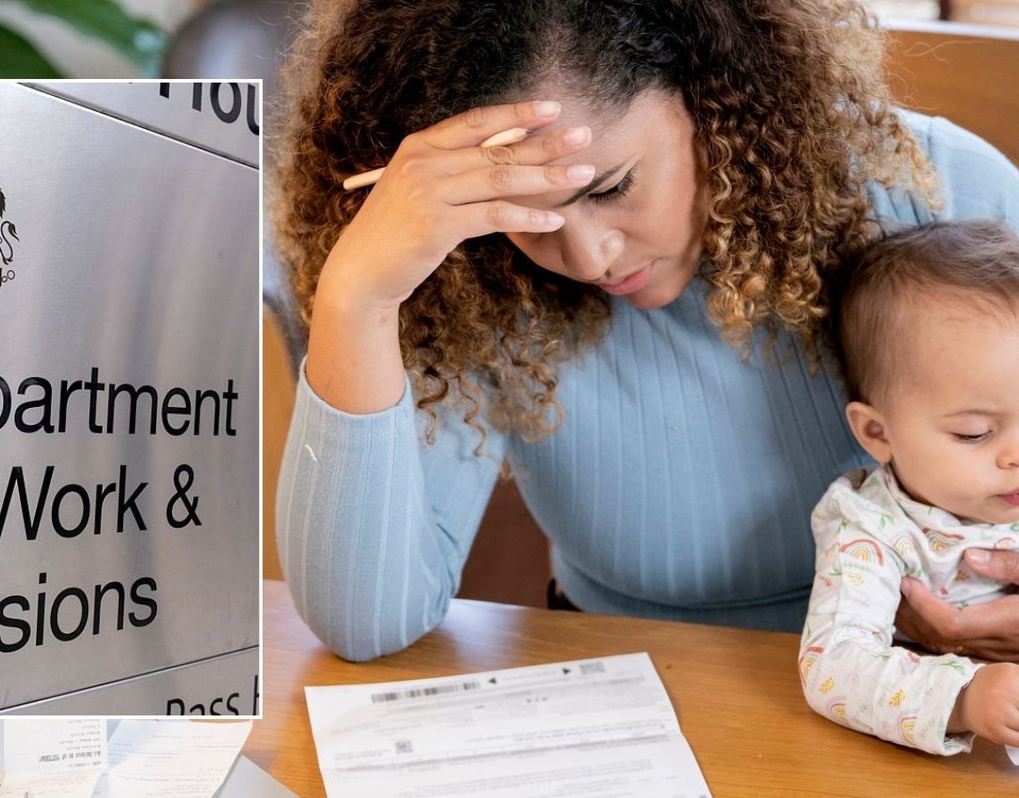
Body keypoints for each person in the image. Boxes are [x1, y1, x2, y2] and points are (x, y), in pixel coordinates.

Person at [270, 0, 1019, 662]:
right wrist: (357, 299)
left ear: (717, 93)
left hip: (919, 691)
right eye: (522, 213)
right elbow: (363, 626)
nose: (585, 256)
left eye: (612, 186)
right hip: (629, 682)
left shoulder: (944, 194)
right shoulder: (469, 277)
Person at [800, 219, 1019, 755]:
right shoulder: (871, 529)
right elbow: (832, 663)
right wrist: (963, 699)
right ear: (878, 433)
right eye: (975, 432)